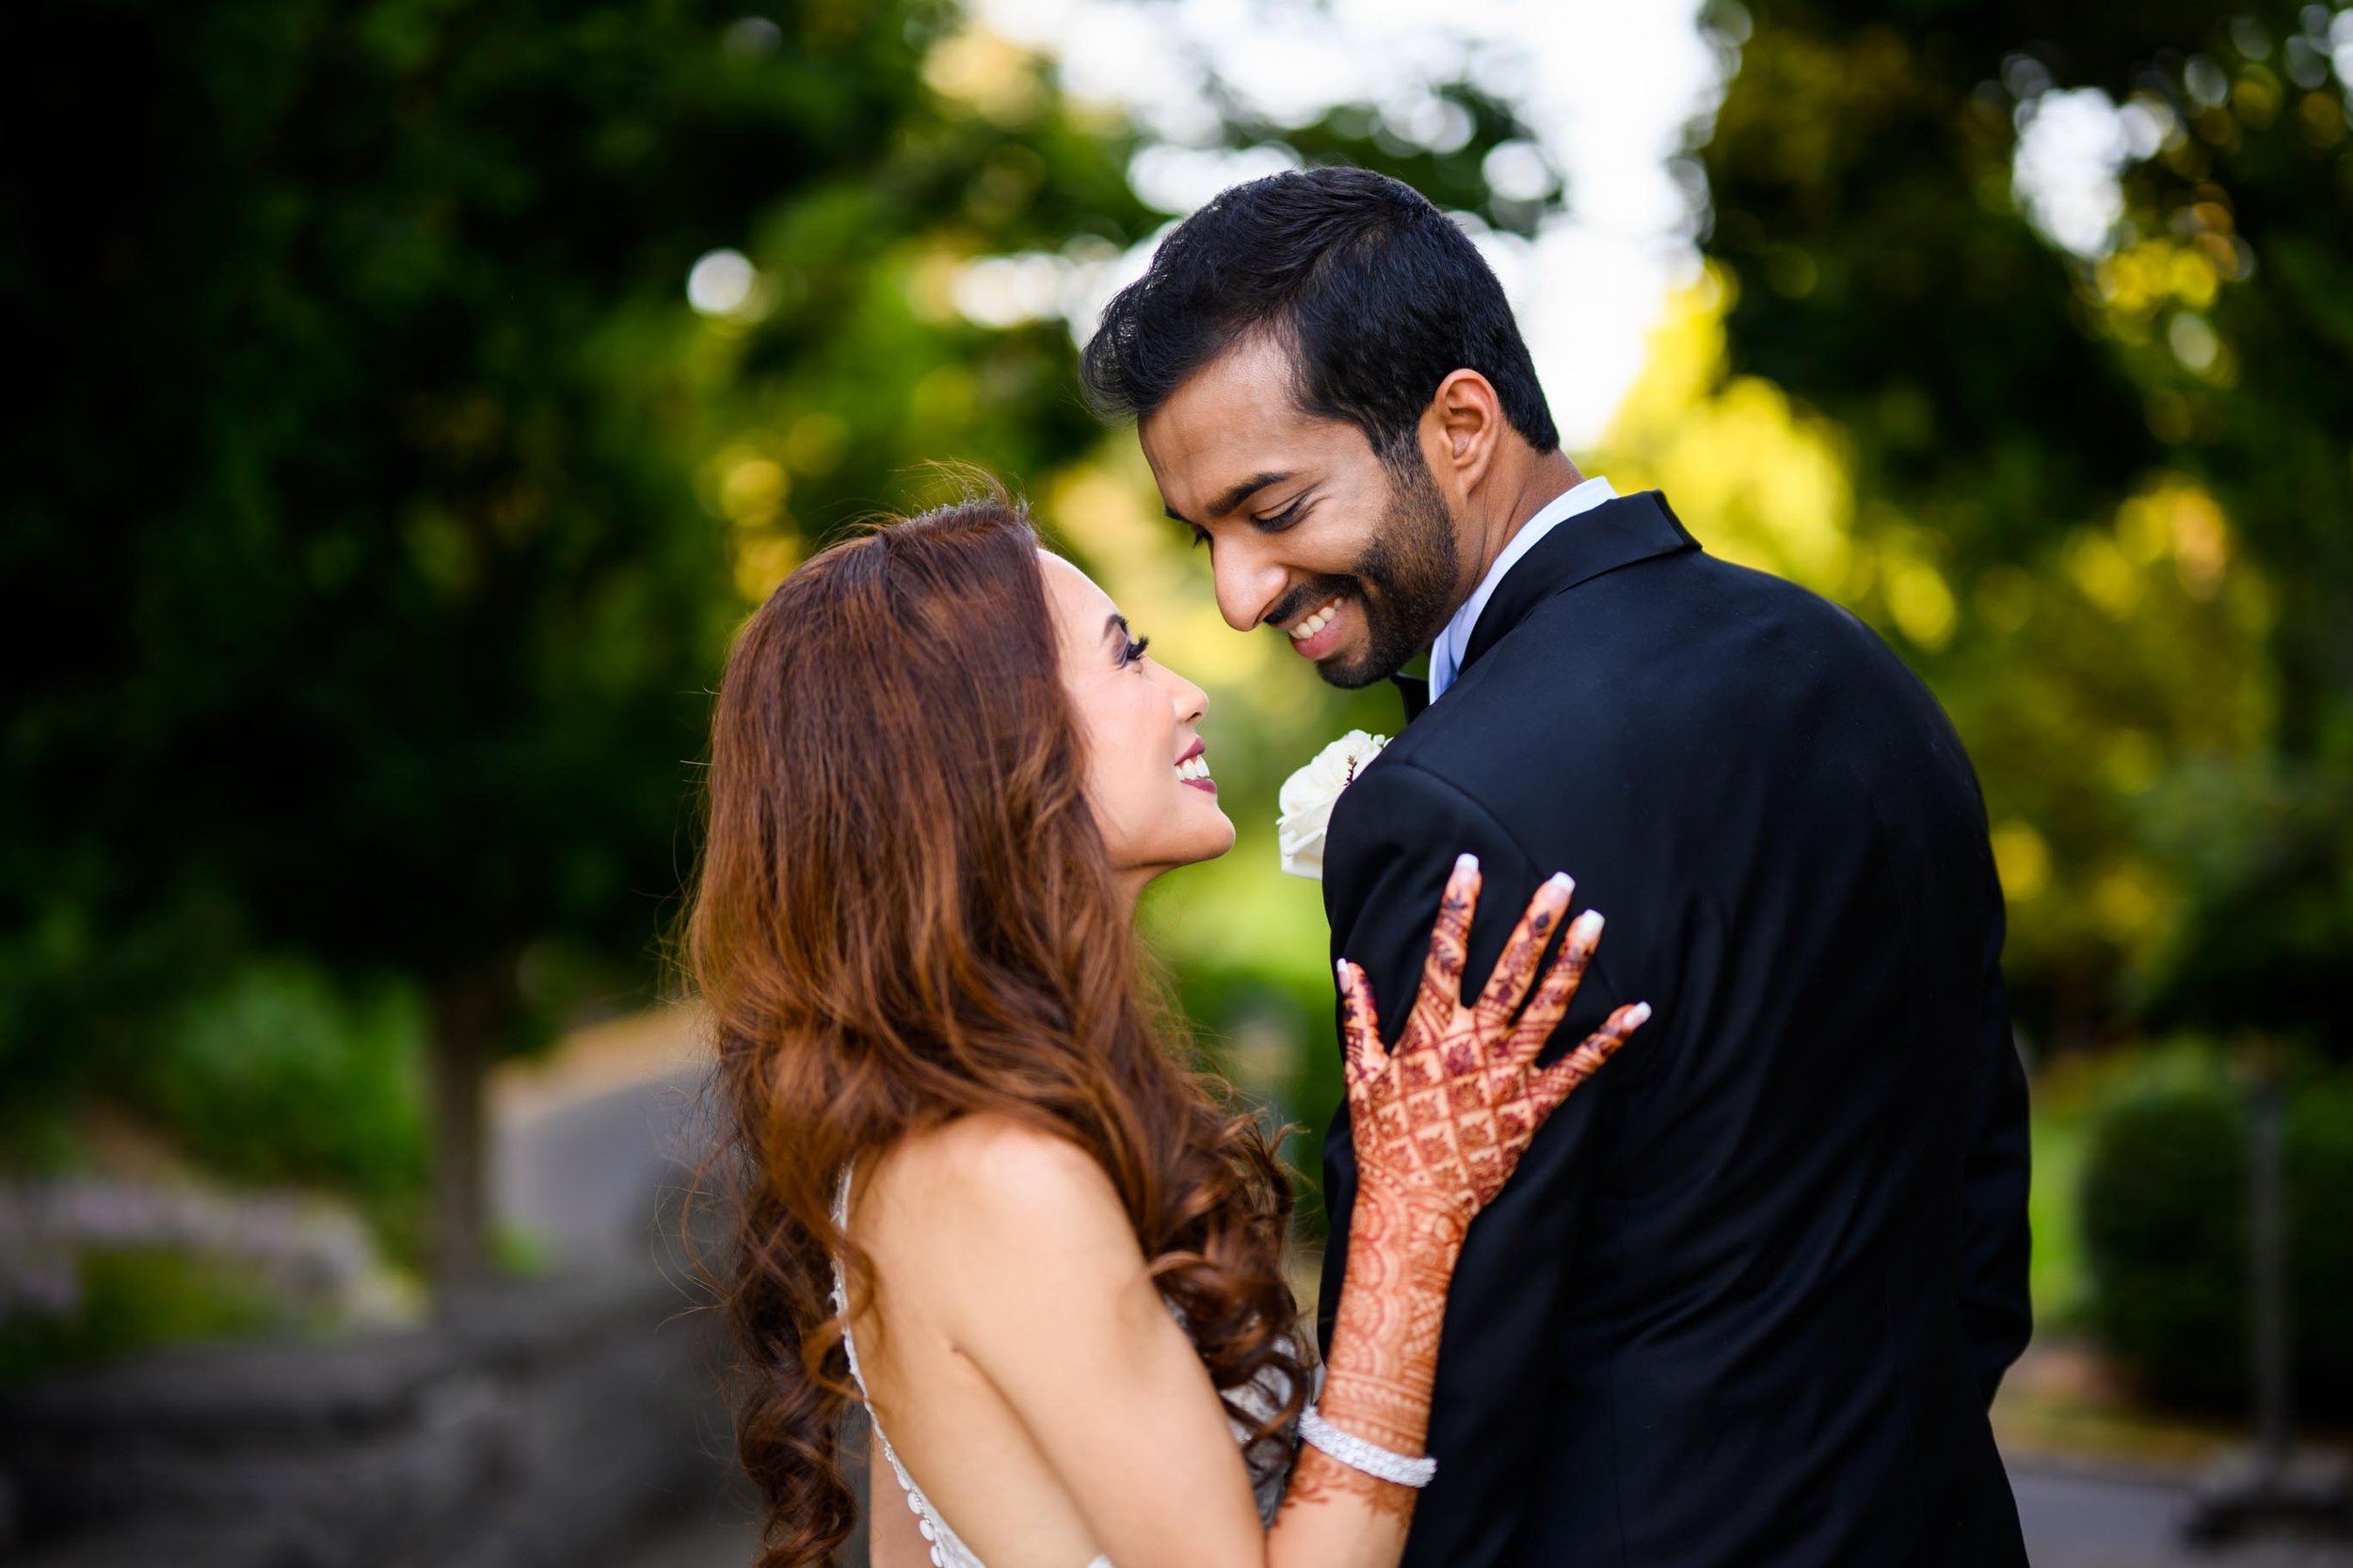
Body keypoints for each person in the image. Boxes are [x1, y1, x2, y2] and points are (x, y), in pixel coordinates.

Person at [1080, 166, 2033, 1567]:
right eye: (1203, 534)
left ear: (1460, 423)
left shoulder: (1446, 809)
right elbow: (1978, 1220)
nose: (1236, 594)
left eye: (1272, 508)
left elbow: (1441, 1395)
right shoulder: (1856, 672)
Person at [686, 494, 1648, 1568]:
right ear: (989, 746)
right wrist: (1409, 1223)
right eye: (1129, 658)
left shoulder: (927, 1146)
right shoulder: (997, 1174)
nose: (1188, 694)